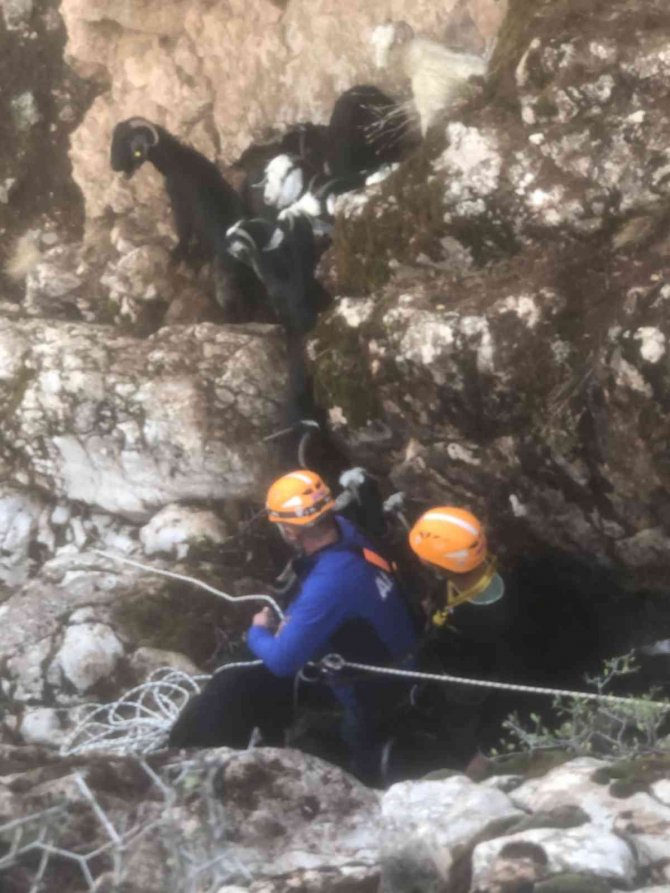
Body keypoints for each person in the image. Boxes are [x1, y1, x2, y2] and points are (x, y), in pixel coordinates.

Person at [169, 469, 418, 784]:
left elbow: (282, 661)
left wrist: (258, 630)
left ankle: (369, 774)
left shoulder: (329, 583)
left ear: (290, 531)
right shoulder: (346, 531)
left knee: (360, 744)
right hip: (401, 650)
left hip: (377, 687)